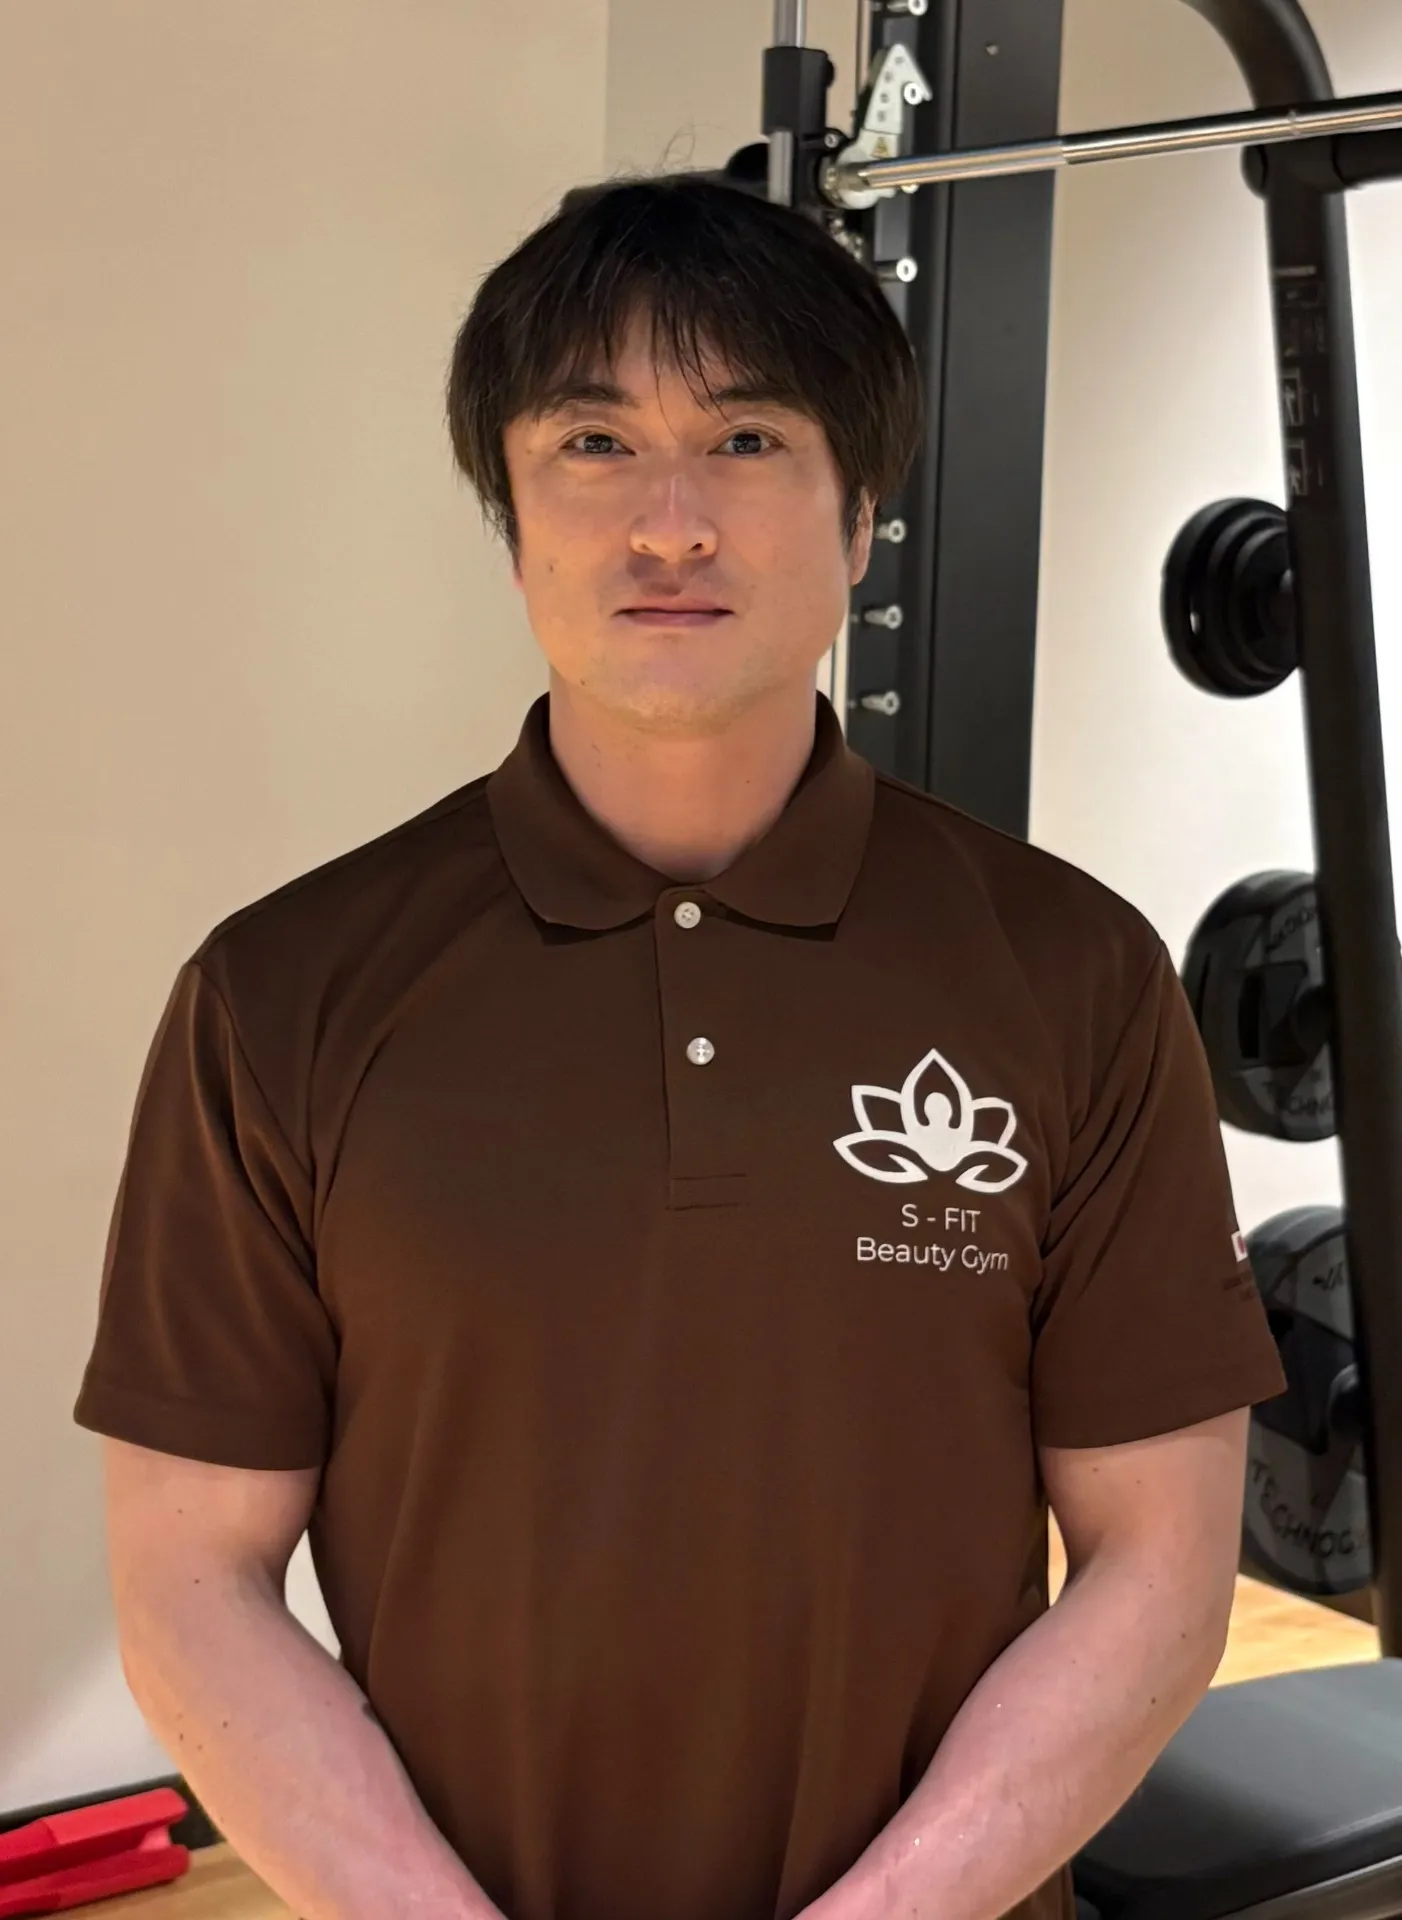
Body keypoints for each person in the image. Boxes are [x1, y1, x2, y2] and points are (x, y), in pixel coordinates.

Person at [74, 174, 1287, 1920]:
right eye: (592, 444)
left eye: (744, 440)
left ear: (859, 518)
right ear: (509, 516)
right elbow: (192, 1585)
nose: (668, 523)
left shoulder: (1073, 973)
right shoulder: (279, 994)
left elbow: (1157, 1569)